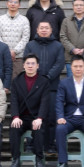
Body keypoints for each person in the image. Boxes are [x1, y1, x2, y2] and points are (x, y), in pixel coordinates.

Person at [23, 20, 65, 154]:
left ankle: (49, 144)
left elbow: (60, 63)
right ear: (37, 30)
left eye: (47, 28)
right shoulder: (30, 45)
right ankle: (31, 144)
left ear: (51, 30)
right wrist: (39, 79)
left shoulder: (58, 46)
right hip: (33, 87)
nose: (44, 30)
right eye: (41, 28)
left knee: (51, 117)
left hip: (52, 87)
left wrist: (47, 77)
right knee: (33, 116)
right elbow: (28, 63)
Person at [55, 55, 84, 167]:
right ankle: (63, 162)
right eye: (75, 66)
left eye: (81, 66)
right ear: (71, 67)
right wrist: (60, 117)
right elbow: (59, 101)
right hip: (69, 117)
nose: (78, 69)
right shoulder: (64, 83)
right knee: (60, 129)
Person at [8, 54, 50, 167]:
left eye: (33, 63)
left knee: (39, 129)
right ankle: (16, 159)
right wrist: (15, 117)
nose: (30, 66)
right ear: (23, 65)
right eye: (28, 63)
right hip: (21, 116)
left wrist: (40, 118)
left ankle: (39, 159)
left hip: (36, 117)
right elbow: (14, 100)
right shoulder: (17, 81)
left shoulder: (44, 81)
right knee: (14, 128)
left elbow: (45, 102)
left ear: (37, 66)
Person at [0, 0, 31, 79]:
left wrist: (15, 51)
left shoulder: (24, 20)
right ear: (7, 3)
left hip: (18, 57)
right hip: (2, 55)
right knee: (1, 80)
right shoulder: (0, 19)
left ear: (19, 5)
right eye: (11, 1)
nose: (13, 4)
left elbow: (25, 37)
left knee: (16, 80)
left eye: (15, 2)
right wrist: (6, 50)